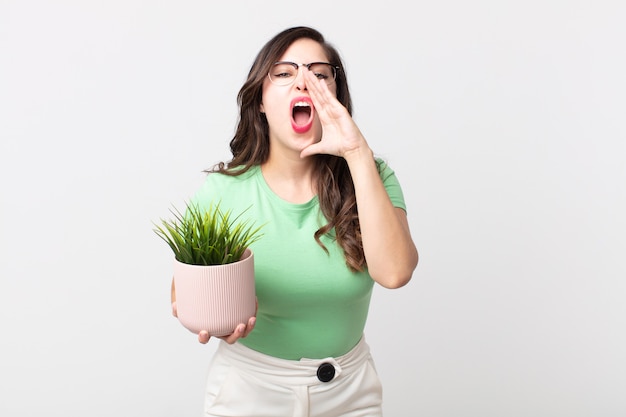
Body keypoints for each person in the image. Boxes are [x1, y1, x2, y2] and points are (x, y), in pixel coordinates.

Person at [170, 26, 418, 417]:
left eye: (319, 74)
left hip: (351, 392)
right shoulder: (222, 192)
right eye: (284, 74)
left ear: (336, 97)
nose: (303, 82)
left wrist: (356, 152)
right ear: (262, 102)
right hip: (250, 392)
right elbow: (183, 293)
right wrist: (213, 318)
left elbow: (396, 272)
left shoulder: (371, 174)